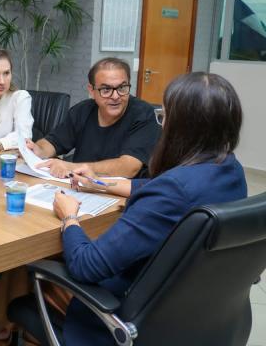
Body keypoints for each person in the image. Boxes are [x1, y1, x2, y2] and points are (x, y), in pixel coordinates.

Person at [25, 72, 247, 345]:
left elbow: (86, 265)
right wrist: (100, 183)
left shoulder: (171, 193)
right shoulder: (230, 170)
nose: (162, 126)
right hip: (195, 316)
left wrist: (69, 216)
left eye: (165, 117)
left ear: (182, 128)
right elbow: (160, 187)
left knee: (24, 271)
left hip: (127, 316)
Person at [26, 57, 161, 178]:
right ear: (91, 90)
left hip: (121, 193)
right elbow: (54, 142)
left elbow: (129, 168)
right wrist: (38, 150)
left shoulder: (144, 114)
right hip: (81, 187)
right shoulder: (82, 110)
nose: (115, 96)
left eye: (122, 88)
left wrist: (71, 167)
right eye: (106, 90)